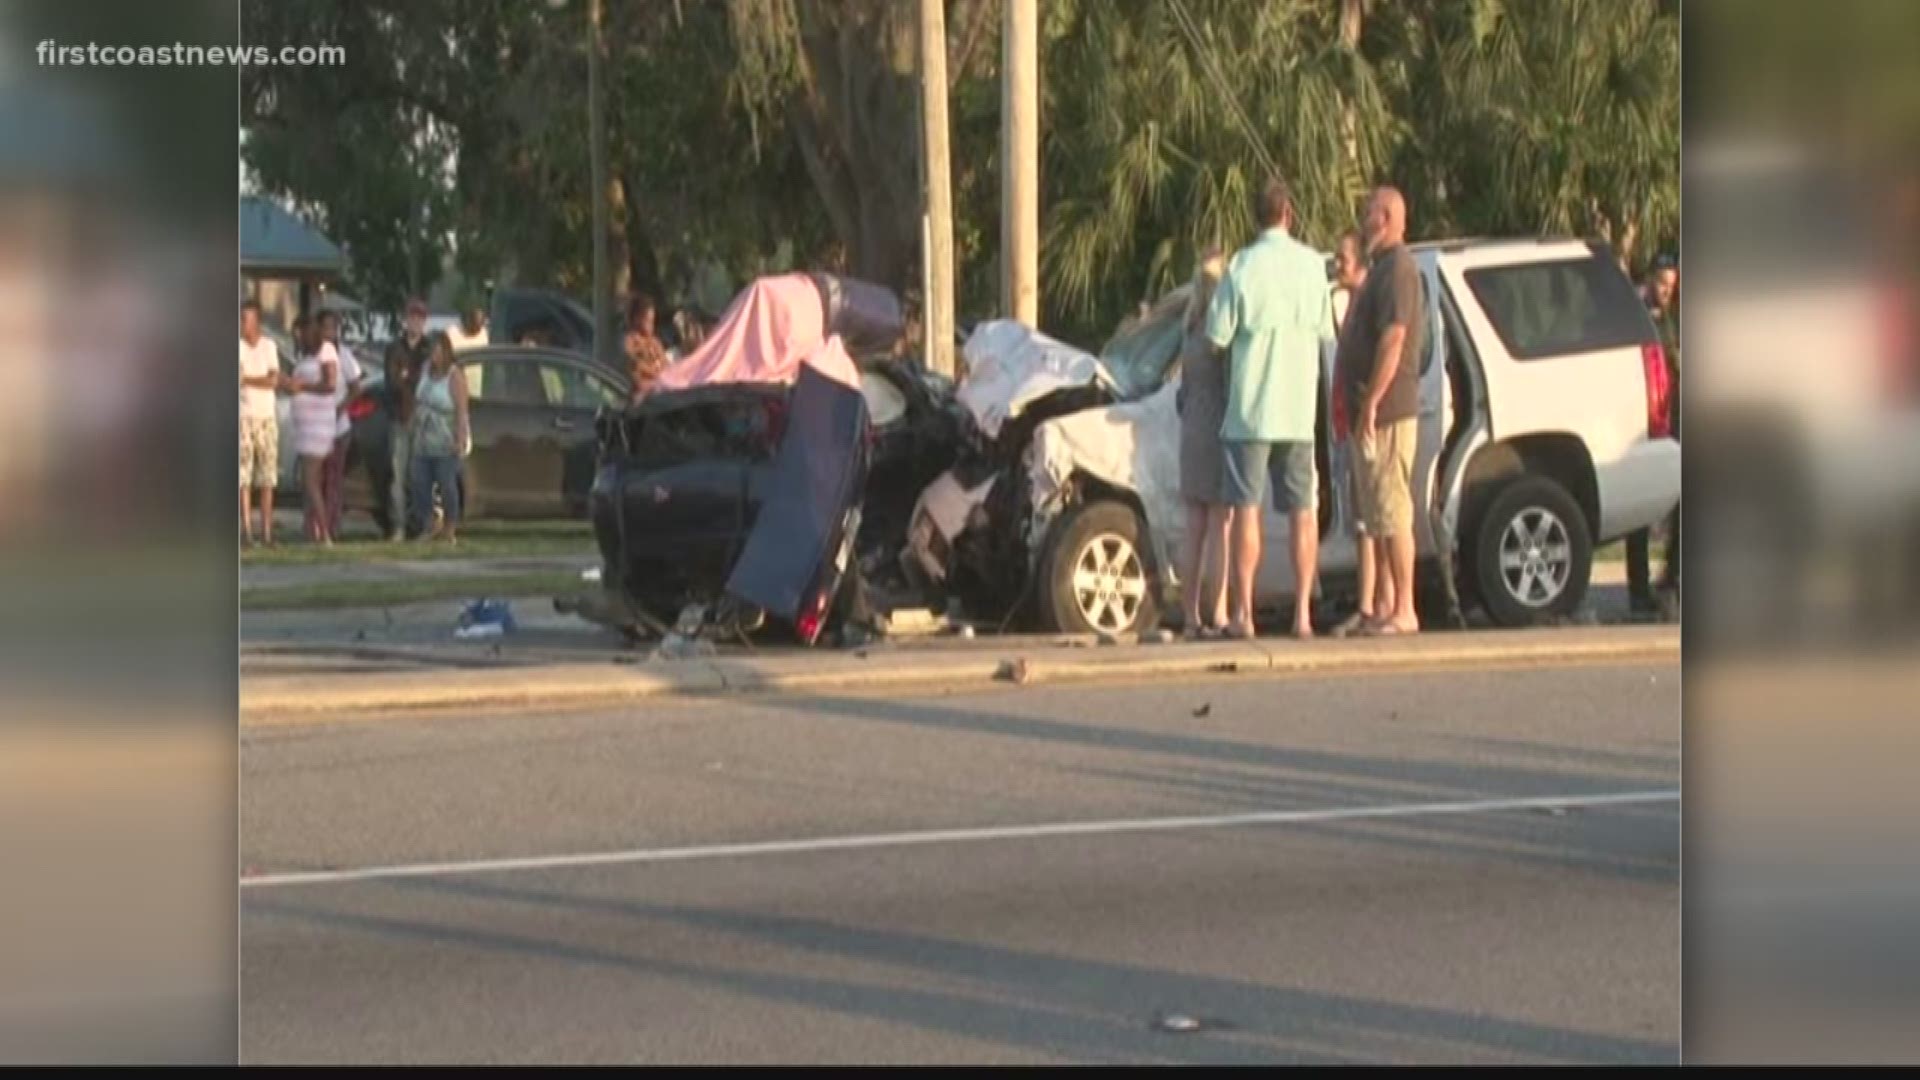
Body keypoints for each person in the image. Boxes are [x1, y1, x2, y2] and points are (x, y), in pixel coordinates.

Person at [1204, 178, 1337, 640]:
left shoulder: (1241, 266)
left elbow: (1216, 336)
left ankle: (1245, 612)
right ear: (1289, 215)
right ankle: (1303, 613)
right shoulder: (1311, 267)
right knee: (1303, 510)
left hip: (1251, 410)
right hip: (1299, 410)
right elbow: (1326, 330)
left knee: (1247, 510)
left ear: (1255, 216)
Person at [1340, 185, 1428, 636]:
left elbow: (1393, 341)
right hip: (1370, 411)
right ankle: (1388, 604)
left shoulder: (1399, 271)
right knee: (1377, 511)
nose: (1363, 219)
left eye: (1369, 212)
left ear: (1389, 216)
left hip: (1390, 410)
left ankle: (1405, 608)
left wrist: (1372, 401)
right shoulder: (1379, 269)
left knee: (1393, 511)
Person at [1327, 232, 1395, 637]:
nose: (1338, 266)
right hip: (1347, 423)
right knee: (1362, 522)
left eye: (1343, 259)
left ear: (1362, 263)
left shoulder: (1368, 303)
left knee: (1376, 518)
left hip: (1368, 423)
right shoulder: (1348, 305)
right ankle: (1368, 603)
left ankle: (1384, 601)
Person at [1177, 247, 1232, 638]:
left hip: (1191, 430)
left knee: (1193, 527)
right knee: (1221, 526)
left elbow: (1182, 393)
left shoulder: (1189, 329)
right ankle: (1221, 611)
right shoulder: (1219, 334)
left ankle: (1190, 614)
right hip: (1216, 430)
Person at [1628, 255, 1681, 616]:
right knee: (1641, 511)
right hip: (1644, 419)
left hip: (1672, 416)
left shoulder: (1674, 317)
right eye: (1663, 283)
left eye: (1672, 284)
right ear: (1649, 279)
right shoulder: (1637, 313)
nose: (1667, 291)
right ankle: (1640, 589)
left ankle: (1670, 582)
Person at [408, 333, 472, 544]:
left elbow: (462, 411)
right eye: (430, 351)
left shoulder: (454, 376)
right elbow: (417, 400)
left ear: (446, 352)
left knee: (447, 484)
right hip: (423, 438)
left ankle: (449, 528)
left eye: (437, 351)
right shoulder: (425, 370)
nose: (433, 356)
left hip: (445, 439)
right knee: (419, 482)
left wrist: (460, 438)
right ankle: (429, 524)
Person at [287, 315, 341, 546]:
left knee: (310, 480)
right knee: (310, 481)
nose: (296, 337)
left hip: (319, 425)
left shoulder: (326, 350)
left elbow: (329, 384)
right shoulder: (304, 357)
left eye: (299, 332)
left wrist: (302, 386)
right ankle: (313, 532)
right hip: (305, 425)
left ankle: (324, 533)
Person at [383, 299, 434, 541]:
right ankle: (399, 527)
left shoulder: (430, 348)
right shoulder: (394, 348)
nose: (416, 322)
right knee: (398, 477)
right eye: (412, 317)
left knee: (421, 477)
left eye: (420, 318)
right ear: (406, 320)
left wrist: (408, 376)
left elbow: (430, 382)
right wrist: (410, 379)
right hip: (400, 418)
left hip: (423, 420)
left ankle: (422, 526)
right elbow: (393, 382)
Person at [238, 300, 282, 547]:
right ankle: (246, 531)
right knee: (243, 478)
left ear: (257, 322)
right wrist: (258, 379)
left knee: (267, 477)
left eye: (247, 318)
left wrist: (248, 380)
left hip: (266, 417)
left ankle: (266, 532)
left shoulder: (269, 347)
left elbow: (273, 380)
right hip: (244, 416)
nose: (243, 324)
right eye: (242, 318)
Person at [317, 310, 364, 539]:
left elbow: (357, 387)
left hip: (338, 428)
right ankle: (315, 525)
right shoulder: (312, 353)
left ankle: (332, 526)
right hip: (314, 427)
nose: (328, 332)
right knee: (316, 479)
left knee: (334, 479)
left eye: (332, 328)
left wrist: (340, 408)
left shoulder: (344, 356)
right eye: (325, 327)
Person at [624, 293, 670, 401]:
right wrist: (656, 373)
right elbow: (635, 369)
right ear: (636, 319)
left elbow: (666, 366)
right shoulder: (630, 342)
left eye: (653, 321)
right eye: (648, 321)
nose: (652, 326)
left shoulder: (655, 342)